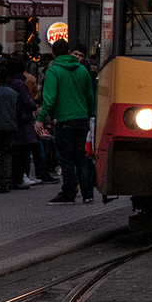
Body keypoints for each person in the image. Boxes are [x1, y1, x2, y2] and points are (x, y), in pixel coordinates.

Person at [40, 40, 97, 204]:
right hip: (81, 119)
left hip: (64, 119)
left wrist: (41, 118)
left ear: (53, 53)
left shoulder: (53, 70)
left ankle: (69, 192)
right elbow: (90, 96)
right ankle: (88, 193)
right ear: (69, 51)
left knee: (66, 159)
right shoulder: (82, 70)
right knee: (82, 156)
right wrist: (87, 114)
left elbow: (49, 99)